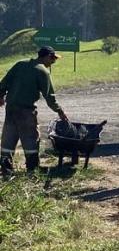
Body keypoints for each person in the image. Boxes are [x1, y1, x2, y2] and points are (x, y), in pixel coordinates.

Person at [0, 46, 68, 175]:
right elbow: (50, 97)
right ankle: (32, 170)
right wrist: (60, 111)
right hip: (26, 111)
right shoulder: (42, 71)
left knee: (9, 137)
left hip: (11, 109)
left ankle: (6, 169)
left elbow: (4, 82)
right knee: (31, 139)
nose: (53, 62)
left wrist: (0, 96)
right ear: (47, 56)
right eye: (53, 58)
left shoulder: (20, 64)